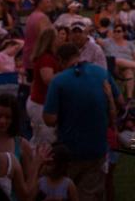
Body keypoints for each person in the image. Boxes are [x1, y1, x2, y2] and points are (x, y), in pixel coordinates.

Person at [44, 42, 116, 201]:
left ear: (61, 61)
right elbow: (120, 102)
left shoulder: (58, 81)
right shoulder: (102, 73)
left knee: (66, 194)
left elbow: (49, 119)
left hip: (69, 151)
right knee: (89, 195)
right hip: (97, 149)